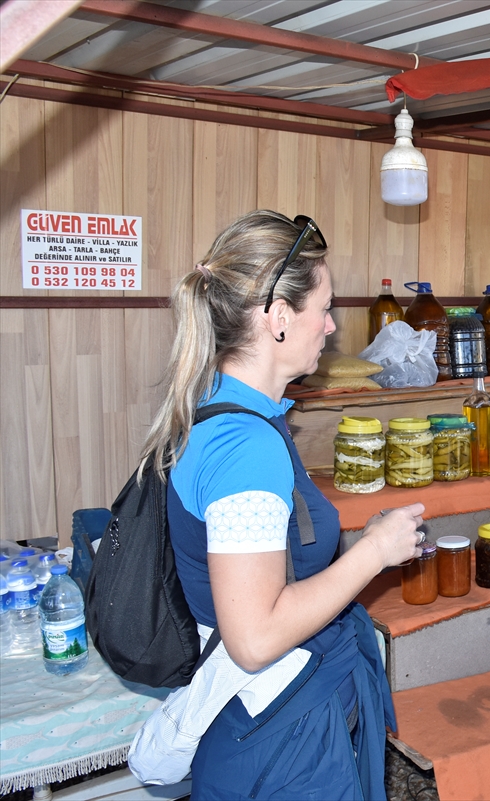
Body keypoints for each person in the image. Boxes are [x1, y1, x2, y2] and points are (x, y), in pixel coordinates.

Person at [133, 210, 424, 800]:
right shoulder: (247, 449)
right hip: (282, 740)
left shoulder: (224, 410)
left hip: (274, 724)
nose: (332, 325)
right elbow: (255, 637)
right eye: (324, 307)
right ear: (279, 318)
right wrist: (373, 553)